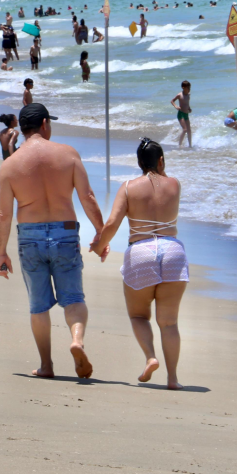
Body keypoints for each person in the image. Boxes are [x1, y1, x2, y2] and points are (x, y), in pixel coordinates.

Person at [0, 103, 106, 379]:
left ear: (22, 128)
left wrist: (1, 253)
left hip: (30, 236)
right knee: (74, 298)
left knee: (39, 305)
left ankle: (46, 365)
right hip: (65, 233)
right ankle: (77, 341)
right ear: (45, 124)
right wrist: (101, 233)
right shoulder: (67, 155)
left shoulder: (9, 166)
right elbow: (87, 197)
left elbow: (3, 215)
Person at [93, 138, 188, 390]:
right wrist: (161, 168)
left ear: (138, 163)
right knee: (169, 322)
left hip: (141, 252)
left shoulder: (128, 187)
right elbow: (162, 181)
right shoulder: (175, 184)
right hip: (172, 251)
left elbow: (112, 224)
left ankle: (150, 357)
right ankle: (173, 379)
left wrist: (100, 245)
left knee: (138, 314)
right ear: (161, 161)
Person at [170, 80, 192, 148]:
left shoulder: (188, 95)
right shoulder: (180, 95)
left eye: (189, 88)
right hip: (181, 114)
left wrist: (189, 108)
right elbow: (172, 101)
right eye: (188, 88)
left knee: (189, 130)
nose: (189, 89)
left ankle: (190, 145)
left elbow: (187, 104)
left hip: (186, 114)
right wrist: (176, 106)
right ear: (183, 87)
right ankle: (179, 145)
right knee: (185, 129)